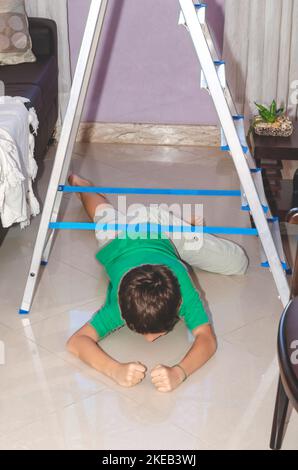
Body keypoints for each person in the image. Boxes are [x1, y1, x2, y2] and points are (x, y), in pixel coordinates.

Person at [66, 175, 248, 392]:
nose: (150, 340)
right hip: (120, 236)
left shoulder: (183, 289)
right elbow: (75, 342)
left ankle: (182, 225)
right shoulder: (120, 303)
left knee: (239, 263)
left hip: (164, 229)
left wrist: (180, 373)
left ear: (179, 303)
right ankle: (83, 187)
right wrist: (114, 370)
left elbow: (207, 339)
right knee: (102, 216)